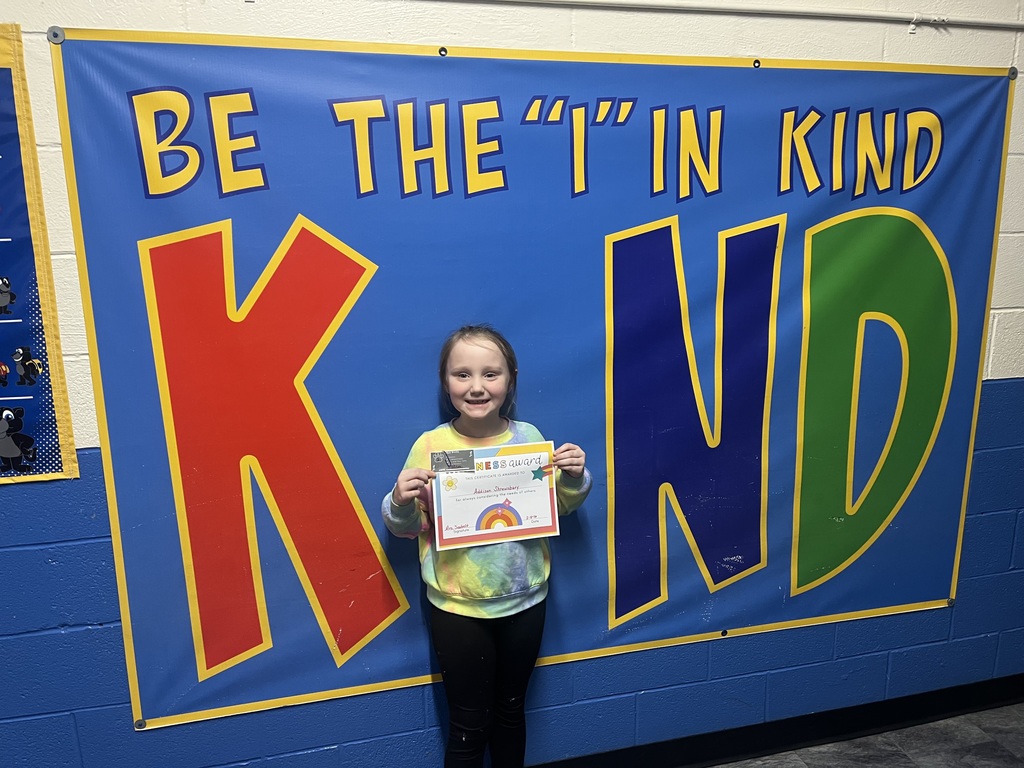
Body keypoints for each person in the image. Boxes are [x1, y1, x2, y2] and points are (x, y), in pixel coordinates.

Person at [382, 324, 591, 768]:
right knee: (468, 724)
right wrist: (399, 501)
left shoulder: (529, 439)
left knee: (511, 712)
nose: (476, 387)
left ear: (511, 379)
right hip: (457, 608)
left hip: (526, 601)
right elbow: (409, 526)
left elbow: (558, 507)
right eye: (462, 374)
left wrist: (574, 478)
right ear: (445, 382)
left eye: (490, 374)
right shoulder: (433, 446)